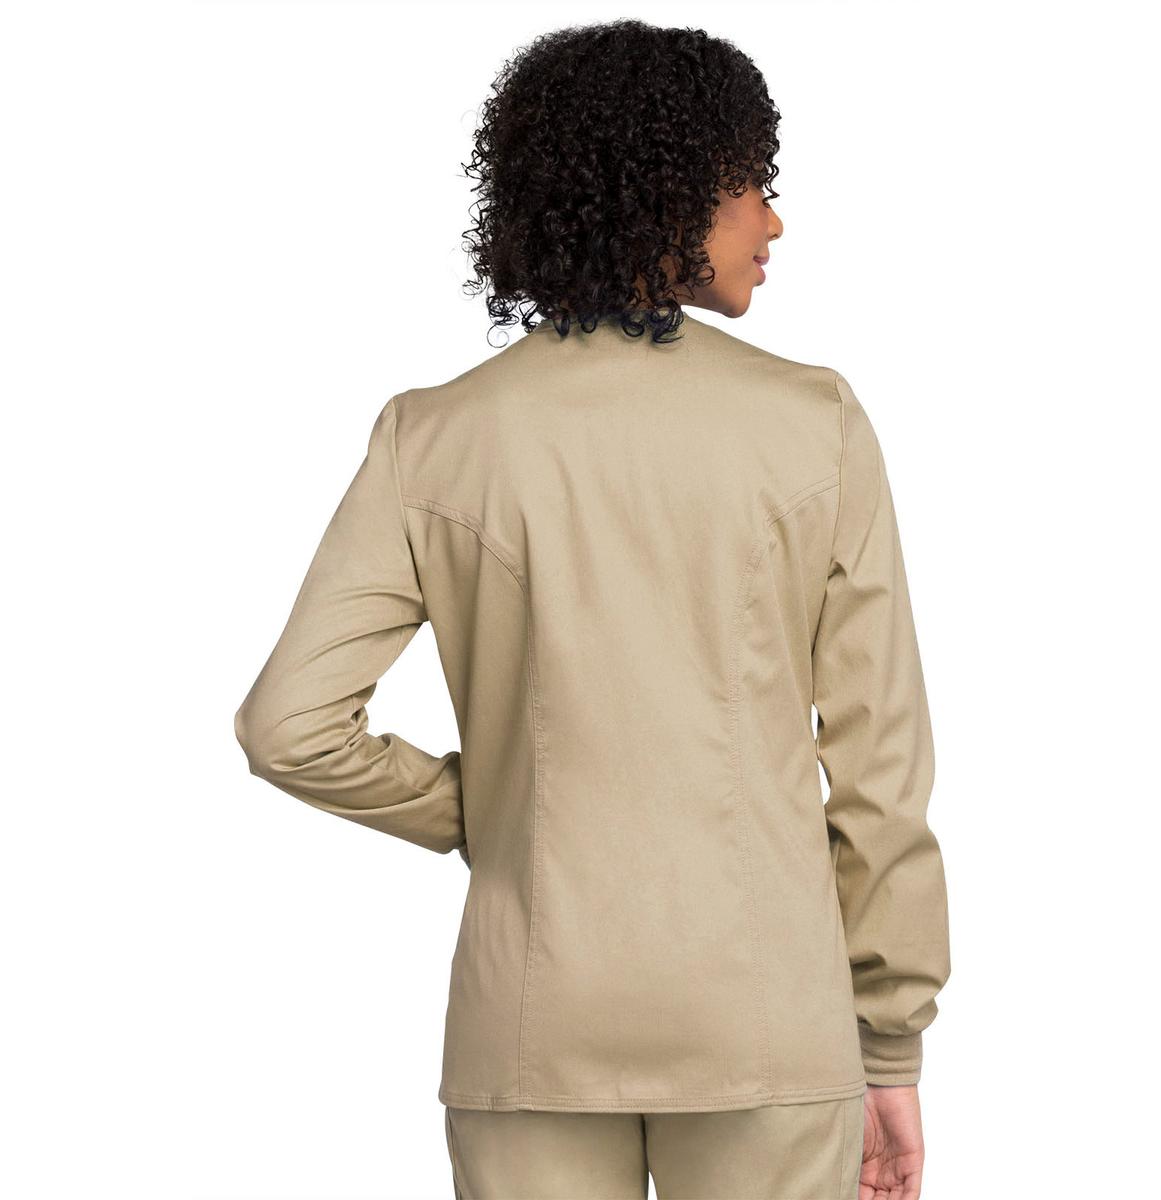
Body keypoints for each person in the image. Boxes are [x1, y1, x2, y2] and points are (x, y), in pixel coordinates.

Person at [233, 18, 950, 1200]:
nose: (773, 222)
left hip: (529, 1028)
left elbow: (288, 728)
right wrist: (890, 1038)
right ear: (669, 190)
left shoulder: (436, 436)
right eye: (752, 184)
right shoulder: (814, 426)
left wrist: (503, 810)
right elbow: (881, 769)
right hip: (768, 1023)